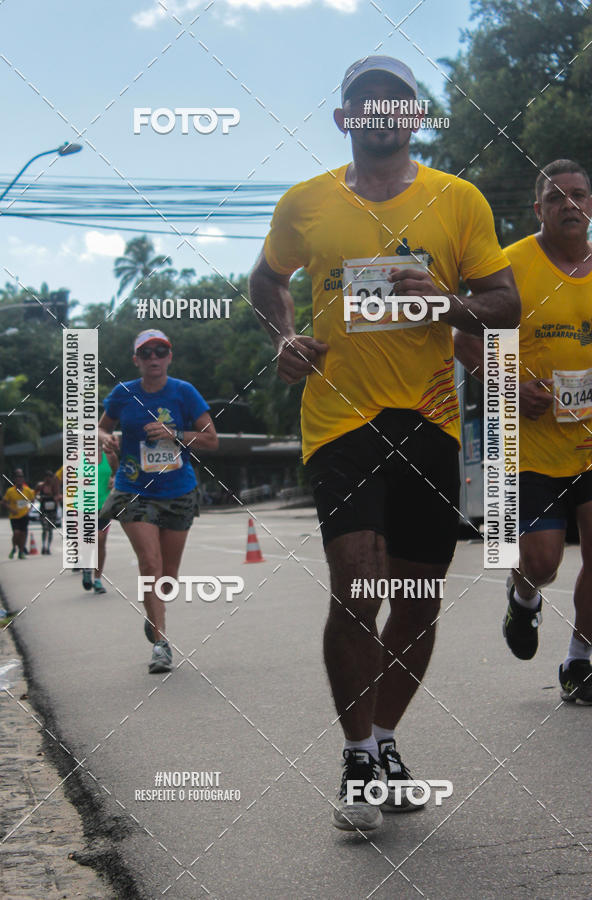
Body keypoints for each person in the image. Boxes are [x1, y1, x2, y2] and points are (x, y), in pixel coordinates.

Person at [249, 55, 520, 832]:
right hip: (341, 417)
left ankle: (388, 738)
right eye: (364, 105)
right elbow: (266, 281)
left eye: (394, 104)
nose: (381, 115)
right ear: (345, 120)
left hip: (430, 419)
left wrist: (447, 301)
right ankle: (358, 754)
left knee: (417, 597)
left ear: (414, 117)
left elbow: (505, 305)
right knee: (357, 581)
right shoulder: (307, 203)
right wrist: (286, 336)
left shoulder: (457, 199)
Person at [454, 159, 592, 704]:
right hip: (523, 440)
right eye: (556, 197)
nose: (569, 205)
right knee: (543, 561)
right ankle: (523, 597)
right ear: (539, 210)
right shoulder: (508, 267)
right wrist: (509, 384)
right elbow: (462, 340)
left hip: (588, 440)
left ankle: (580, 657)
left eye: (579, 195)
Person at [98, 329, 218, 673]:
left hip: (178, 491)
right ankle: (162, 645)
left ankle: (155, 615)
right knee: (150, 564)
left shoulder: (183, 392)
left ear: (169, 357)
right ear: (136, 359)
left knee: (167, 576)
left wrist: (175, 434)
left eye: (160, 352)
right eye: (146, 353)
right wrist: (107, 439)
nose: (153, 358)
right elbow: (100, 428)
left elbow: (211, 440)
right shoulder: (124, 394)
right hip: (134, 488)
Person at [80, 444, 119, 594]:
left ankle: (97, 579)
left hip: (103, 505)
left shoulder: (109, 455)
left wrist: (114, 480)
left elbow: (119, 472)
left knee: (100, 539)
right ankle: (86, 569)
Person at [3, 469, 35, 559]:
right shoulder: (10, 491)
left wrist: (29, 510)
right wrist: (11, 509)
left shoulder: (28, 491)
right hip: (14, 516)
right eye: (18, 477)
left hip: (24, 515)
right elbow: (4, 502)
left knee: (23, 534)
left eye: (21, 477)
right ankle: (14, 548)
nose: (20, 479)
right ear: (15, 479)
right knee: (16, 533)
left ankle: (21, 552)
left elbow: (33, 501)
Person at [35, 470, 61, 554]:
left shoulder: (55, 486)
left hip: (52, 511)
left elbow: (59, 495)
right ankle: (43, 546)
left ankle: (48, 547)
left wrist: (57, 498)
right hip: (44, 510)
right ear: (44, 478)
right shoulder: (40, 486)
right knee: (44, 528)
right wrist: (39, 497)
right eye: (47, 477)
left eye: (50, 477)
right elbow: (34, 494)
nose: (48, 479)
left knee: (50, 530)